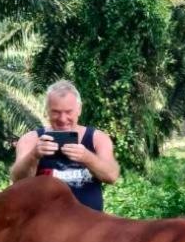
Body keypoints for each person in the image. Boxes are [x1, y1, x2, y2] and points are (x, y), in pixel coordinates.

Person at [10, 80, 121, 210]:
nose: (63, 119)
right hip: (44, 224)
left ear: (79, 110)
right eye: (56, 112)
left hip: (89, 226)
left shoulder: (97, 138)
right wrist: (34, 155)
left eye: (69, 112)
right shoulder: (30, 139)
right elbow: (17, 181)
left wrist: (87, 157)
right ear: (47, 111)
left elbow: (112, 175)